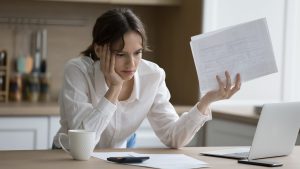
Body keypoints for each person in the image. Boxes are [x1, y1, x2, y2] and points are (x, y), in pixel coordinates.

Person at [53, 8, 241, 149]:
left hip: (115, 160)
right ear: (99, 49)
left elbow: (173, 137)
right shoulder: (77, 71)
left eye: (137, 53)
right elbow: (82, 144)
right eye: (120, 54)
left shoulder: (153, 75)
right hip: (67, 159)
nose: (131, 64)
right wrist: (114, 89)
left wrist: (207, 100)